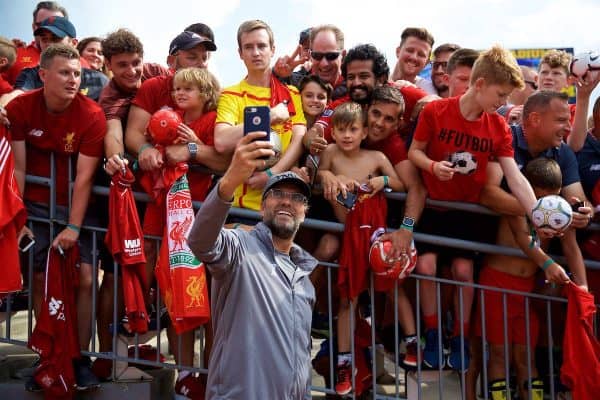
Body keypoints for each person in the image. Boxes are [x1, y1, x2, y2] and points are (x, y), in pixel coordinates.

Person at [408, 45, 540, 372]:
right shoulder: (436, 112)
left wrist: (538, 212)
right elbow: (415, 153)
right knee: (425, 265)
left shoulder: (498, 128)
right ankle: (433, 332)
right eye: (500, 93)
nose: (503, 101)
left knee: (464, 271)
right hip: (434, 207)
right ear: (479, 84)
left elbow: (515, 176)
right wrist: (433, 166)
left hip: (467, 210)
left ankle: (460, 337)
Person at [187, 133, 317, 400]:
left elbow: (300, 357)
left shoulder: (304, 279)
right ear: (261, 207)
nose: (286, 202)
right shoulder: (240, 247)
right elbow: (200, 242)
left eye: (296, 199)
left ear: (304, 213)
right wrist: (230, 180)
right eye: (277, 194)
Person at [7, 43, 106, 391]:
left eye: (77, 73)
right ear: (44, 75)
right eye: (65, 72)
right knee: (39, 279)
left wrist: (74, 227)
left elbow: (85, 178)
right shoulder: (21, 106)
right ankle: (49, 354)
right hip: (33, 208)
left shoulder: (92, 114)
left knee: (85, 278)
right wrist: (17, 219)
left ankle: (78, 359)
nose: (73, 79)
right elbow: (17, 168)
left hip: (77, 207)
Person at [316, 102, 405, 395]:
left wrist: (383, 180)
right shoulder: (329, 152)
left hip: (374, 236)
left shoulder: (377, 156)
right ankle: (343, 365)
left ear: (365, 131)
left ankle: (414, 341)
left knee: (390, 289)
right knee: (348, 300)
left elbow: (401, 183)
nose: (346, 135)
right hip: (348, 235)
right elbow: (319, 174)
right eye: (340, 129)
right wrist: (328, 176)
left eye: (353, 129)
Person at [477, 157, 571, 400]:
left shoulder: (557, 209)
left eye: (552, 200)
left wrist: (582, 210)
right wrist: (548, 263)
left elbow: (579, 210)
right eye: (541, 200)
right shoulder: (515, 204)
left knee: (526, 357)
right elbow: (522, 238)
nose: (547, 208)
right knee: (499, 354)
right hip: (497, 284)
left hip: (527, 290)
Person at [213, 19, 306, 212]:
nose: (256, 52)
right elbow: (221, 141)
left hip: (283, 208)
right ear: (240, 53)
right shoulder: (231, 94)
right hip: (241, 207)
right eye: (248, 47)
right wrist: (269, 115)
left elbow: (299, 139)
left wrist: (272, 174)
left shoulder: (292, 93)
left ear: (272, 49)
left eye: (261, 46)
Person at [2, 16, 108, 104]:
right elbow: (16, 95)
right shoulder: (31, 74)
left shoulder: (100, 81)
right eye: (44, 39)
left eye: (56, 38)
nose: (49, 44)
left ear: (74, 43)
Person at [2, 1, 67, 85]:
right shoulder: (14, 54)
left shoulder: (78, 61)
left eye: (56, 26)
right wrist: (19, 95)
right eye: (42, 25)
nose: (49, 30)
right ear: (33, 27)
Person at [274, 24, 347, 100]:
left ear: (343, 56)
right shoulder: (296, 84)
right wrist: (278, 76)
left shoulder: (356, 88)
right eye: (317, 55)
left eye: (331, 55)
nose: (324, 63)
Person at [390, 27, 436, 94]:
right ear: (398, 51)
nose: (414, 57)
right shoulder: (379, 81)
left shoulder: (428, 90)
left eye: (421, 54)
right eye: (410, 50)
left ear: (426, 62)